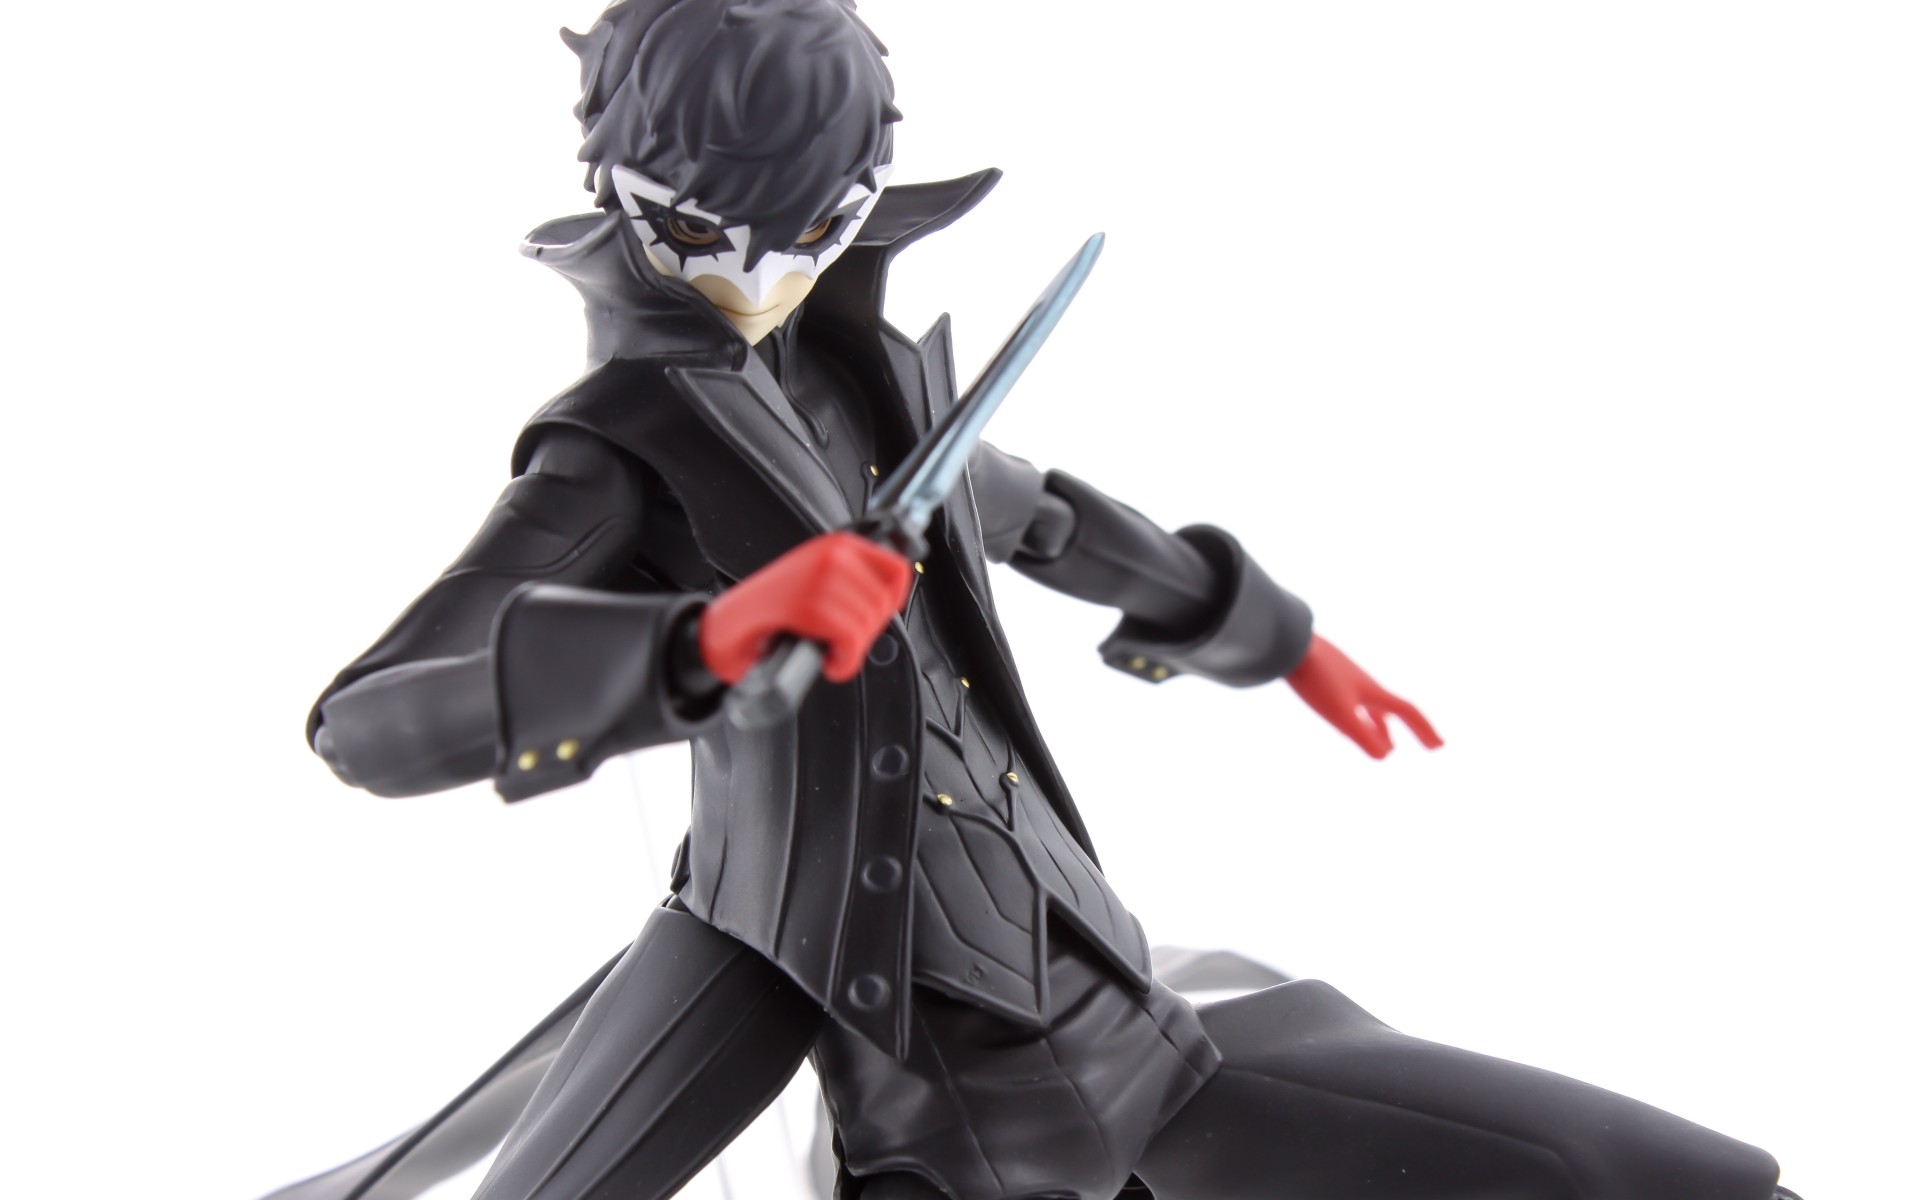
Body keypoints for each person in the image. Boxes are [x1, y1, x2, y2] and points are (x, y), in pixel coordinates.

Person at [283, 2, 1791, 1198]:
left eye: (808, 231)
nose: (753, 278)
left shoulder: (872, 388)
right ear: (621, 194)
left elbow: (1050, 520)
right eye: (696, 233)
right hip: (905, 1072)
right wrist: (711, 638)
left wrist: (1281, 641)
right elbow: (372, 720)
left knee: (1628, 1169)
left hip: (1136, 1026)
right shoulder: (621, 451)